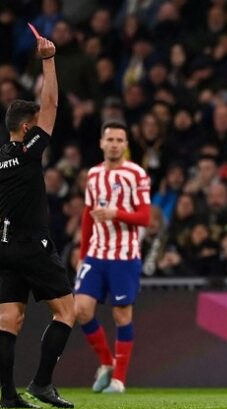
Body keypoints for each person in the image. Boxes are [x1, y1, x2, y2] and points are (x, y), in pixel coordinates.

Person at [0, 33, 75, 409]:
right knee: (67, 313)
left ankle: (8, 397)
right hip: (33, 245)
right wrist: (49, 61)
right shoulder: (26, 152)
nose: (41, 128)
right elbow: (51, 104)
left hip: (5, 247)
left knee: (9, 321)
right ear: (25, 129)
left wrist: (0, 242)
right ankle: (40, 383)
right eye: (35, 125)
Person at [74, 120, 151, 394]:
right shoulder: (93, 175)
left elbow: (145, 217)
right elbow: (87, 214)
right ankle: (106, 363)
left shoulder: (137, 175)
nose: (115, 144)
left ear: (126, 145)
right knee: (80, 309)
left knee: (121, 315)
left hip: (124, 256)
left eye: (120, 140)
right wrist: (82, 254)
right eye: (110, 139)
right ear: (102, 143)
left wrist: (116, 213)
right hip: (96, 253)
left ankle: (118, 380)